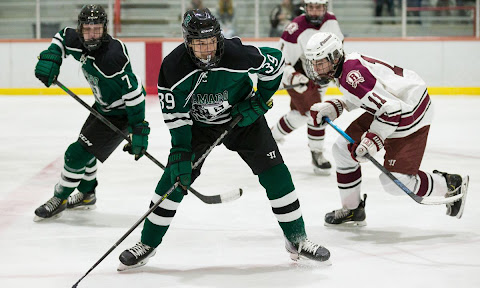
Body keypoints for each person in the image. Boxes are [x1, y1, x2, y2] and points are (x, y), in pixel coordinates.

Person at [117, 8, 330, 271]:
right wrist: (181, 151)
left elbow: (274, 61)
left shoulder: (236, 53)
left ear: (218, 37)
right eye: (199, 44)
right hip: (198, 127)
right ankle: (147, 243)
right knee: (173, 179)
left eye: (211, 42)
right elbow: (177, 116)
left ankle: (297, 238)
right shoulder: (173, 68)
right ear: (187, 43)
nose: (207, 49)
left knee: (276, 174)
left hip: (242, 120)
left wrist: (259, 101)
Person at [305, 32, 469, 226]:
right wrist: (338, 106)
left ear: (334, 57)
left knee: (394, 183)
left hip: (410, 114)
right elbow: (371, 96)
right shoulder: (347, 66)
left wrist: (372, 140)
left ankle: (449, 184)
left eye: (320, 62)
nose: (315, 68)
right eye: (313, 63)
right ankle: (353, 209)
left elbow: (391, 110)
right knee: (342, 150)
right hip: (393, 108)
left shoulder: (351, 76)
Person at [33, 5, 149, 221]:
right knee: (87, 150)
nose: (92, 34)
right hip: (103, 107)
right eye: (88, 29)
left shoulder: (113, 55)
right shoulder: (78, 40)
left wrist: (138, 128)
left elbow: (133, 92)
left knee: (75, 155)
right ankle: (87, 195)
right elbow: (60, 37)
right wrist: (52, 56)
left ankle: (60, 198)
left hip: (121, 113)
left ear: (105, 29)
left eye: (97, 29)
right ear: (81, 29)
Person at [270, 0, 343, 175]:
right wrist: (294, 76)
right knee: (316, 113)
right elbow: (281, 62)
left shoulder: (331, 21)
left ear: (325, 7)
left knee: (299, 115)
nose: (316, 11)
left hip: (323, 75)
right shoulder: (294, 30)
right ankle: (317, 153)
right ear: (305, 7)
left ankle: (271, 136)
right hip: (300, 78)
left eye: (319, 7)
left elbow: (339, 48)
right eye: (312, 7)